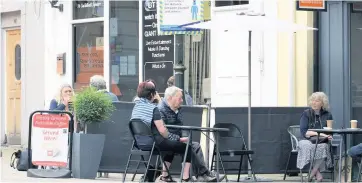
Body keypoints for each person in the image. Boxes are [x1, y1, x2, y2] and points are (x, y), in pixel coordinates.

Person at [158, 86, 222, 182]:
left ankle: (202, 174)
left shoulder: (177, 109)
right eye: (180, 98)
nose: (182, 100)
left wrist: (184, 137)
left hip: (175, 138)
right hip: (166, 140)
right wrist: (179, 139)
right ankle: (199, 174)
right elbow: (163, 131)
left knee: (195, 145)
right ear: (170, 98)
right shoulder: (160, 110)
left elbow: (180, 126)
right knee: (188, 145)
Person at [130, 82, 192, 182]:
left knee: (170, 146)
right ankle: (186, 178)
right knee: (186, 147)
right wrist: (178, 138)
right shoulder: (153, 108)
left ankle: (165, 177)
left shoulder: (136, 107)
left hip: (139, 143)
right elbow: (163, 131)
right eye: (154, 93)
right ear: (151, 95)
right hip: (154, 143)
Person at [298, 92, 333, 182]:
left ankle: (311, 173)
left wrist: (328, 135)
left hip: (321, 141)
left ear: (322, 103)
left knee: (324, 147)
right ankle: (317, 174)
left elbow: (330, 131)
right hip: (306, 140)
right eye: (312, 100)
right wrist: (322, 134)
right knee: (307, 146)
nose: (314, 103)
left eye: (317, 101)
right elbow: (304, 132)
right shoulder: (306, 113)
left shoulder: (328, 115)